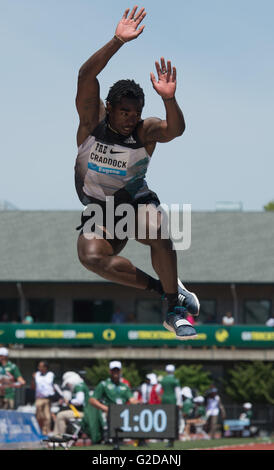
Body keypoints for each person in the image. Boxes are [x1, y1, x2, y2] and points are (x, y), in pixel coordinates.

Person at [74, 6, 200, 340]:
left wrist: (170, 100)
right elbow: (86, 77)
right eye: (125, 111)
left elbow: (175, 130)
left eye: (136, 112)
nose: (131, 117)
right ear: (110, 109)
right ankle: (166, 289)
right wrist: (117, 40)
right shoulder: (91, 123)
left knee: (157, 228)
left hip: (134, 202)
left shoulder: (144, 131)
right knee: (91, 258)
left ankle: (174, 310)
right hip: (99, 211)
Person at [52, 371, 90, 436]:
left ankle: (59, 437)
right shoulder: (80, 385)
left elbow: (79, 401)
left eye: (67, 384)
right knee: (62, 414)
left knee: (60, 415)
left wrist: (69, 401)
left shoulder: (79, 386)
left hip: (84, 413)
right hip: (82, 412)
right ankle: (61, 436)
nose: (68, 386)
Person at [31, 361, 55, 436]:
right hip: (39, 398)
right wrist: (34, 379)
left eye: (41, 366)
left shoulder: (50, 374)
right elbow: (33, 387)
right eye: (38, 366)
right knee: (39, 416)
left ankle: (46, 432)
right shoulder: (37, 375)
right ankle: (39, 430)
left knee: (47, 417)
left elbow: (49, 384)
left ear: (45, 367)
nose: (39, 368)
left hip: (47, 398)